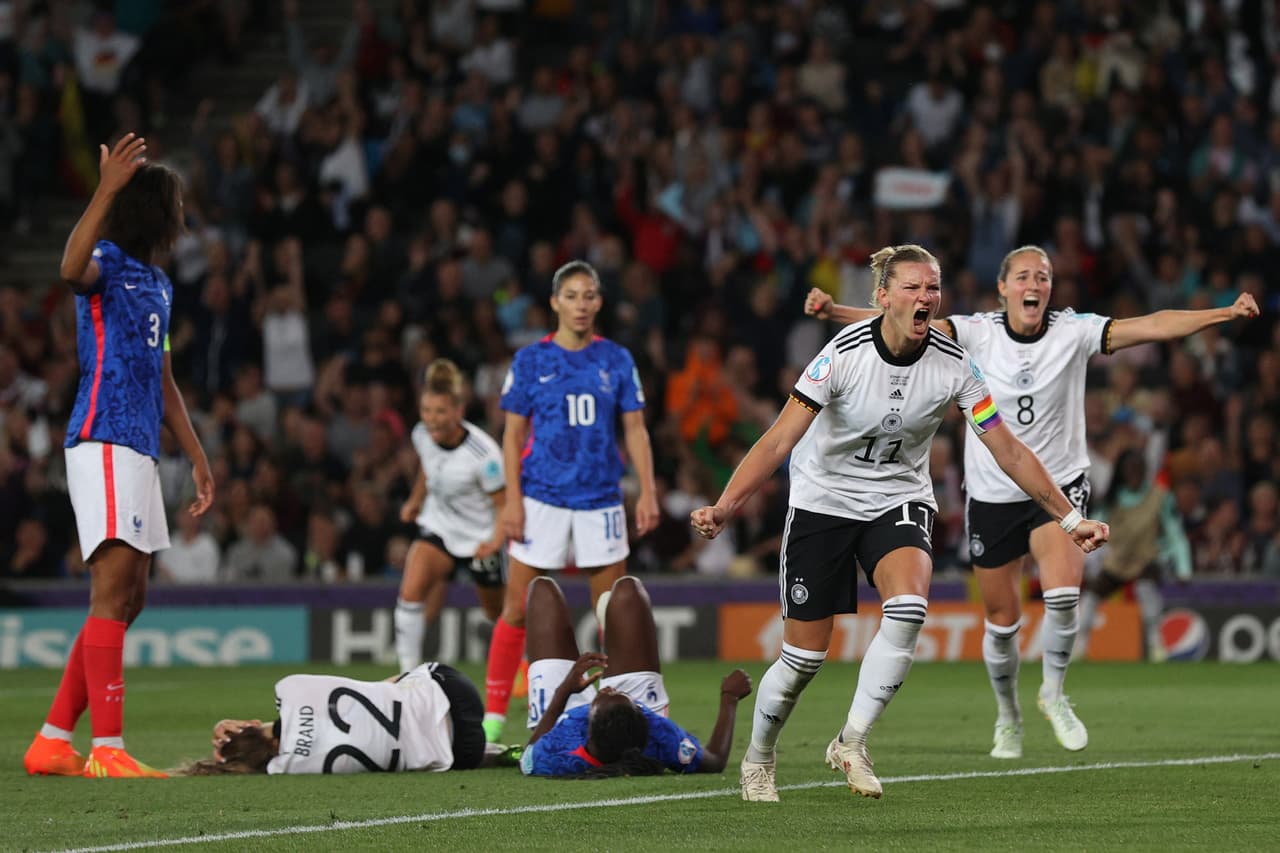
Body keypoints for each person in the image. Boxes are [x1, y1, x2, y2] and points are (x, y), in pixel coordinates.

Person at [693, 245, 1109, 803]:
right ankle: (760, 755)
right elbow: (779, 440)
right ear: (883, 298)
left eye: (932, 288)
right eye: (912, 287)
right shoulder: (841, 354)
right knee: (802, 661)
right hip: (825, 502)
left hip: (898, 498)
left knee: (910, 607)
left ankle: (851, 740)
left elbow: (1008, 449)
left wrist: (1069, 516)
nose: (925, 298)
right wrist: (726, 505)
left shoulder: (955, 364)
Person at [805, 245, 1257, 759]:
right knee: (1003, 620)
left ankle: (1054, 693)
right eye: (1023, 276)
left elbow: (1150, 325)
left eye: (1043, 277)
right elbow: (905, 316)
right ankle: (1008, 716)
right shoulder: (975, 331)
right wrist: (836, 313)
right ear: (1003, 288)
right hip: (993, 492)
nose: (1035, 285)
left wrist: (1223, 313)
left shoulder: (1075, 331)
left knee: (1064, 594)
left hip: (1059, 487)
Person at [24, 133, 215, 779]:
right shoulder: (105, 261)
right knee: (111, 590)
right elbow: (67, 268)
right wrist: (103, 190)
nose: (183, 214)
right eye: (177, 204)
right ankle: (107, 747)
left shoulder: (158, 284)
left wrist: (196, 454)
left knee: (132, 598)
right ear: (155, 212)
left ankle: (53, 739)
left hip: (138, 446)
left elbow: (164, 382)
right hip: (103, 436)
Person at [484, 260, 660, 743]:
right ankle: (493, 719)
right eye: (572, 296)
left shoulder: (617, 359)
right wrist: (512, 502)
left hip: (600, 500)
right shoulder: (530, 361)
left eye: (589, 296)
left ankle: (613, 718)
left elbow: (635, 430)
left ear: (599, 302)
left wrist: (646, 489)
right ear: (555, 302)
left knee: (610, 611)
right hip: (541, 497)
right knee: (516, 609)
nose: (581, 305)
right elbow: (512, 434)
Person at [521, 575, 751, 777]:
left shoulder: (561, 751)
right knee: (628, 589)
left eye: (604, 693)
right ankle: (613, 633)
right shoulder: (658, 734)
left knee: (542, 590)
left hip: (559, 714)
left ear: (588, 731)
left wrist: (564, 690)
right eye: (616, 692)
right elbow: (715, 761)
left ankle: (611, 634)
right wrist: (729, 697)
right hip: (625, 715)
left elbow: (527, 756)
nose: (605, 689)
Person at [181, 663, 506, 775]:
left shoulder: (287, 769)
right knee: (379, 690)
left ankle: (493, 751)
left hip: (462, 755)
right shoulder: (289, 688)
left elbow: (266, 759)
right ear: (251, 725)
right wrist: (230, 724)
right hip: (456, 691)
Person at [395, 358, 507, 673]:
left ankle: (520, 663)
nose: (432, 420)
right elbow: (428, 470)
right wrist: (415, 502)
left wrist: (495, 542)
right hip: (441, 527)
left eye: (440, 412)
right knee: (410, 593)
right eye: (426, 411)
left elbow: (503, 503)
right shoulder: (421, 435)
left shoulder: (484, 456)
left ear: (458, 411)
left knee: (496, 613)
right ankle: (407, 676)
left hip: (480, 537)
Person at [1076, 448, 1192, 662]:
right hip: (1115, 561)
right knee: (1091, 597)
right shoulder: (1111, 499)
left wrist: (1183, 568)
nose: (1134, 475)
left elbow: (1175, 534)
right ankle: (1080, 646)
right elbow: (1093, 529)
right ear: (1122, 472)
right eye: (1130, 471)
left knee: (1146, 592)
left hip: (1146, 558)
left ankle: (1156, 645)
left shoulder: (1160, 497)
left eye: (1138, 470)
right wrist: (1086, 561)